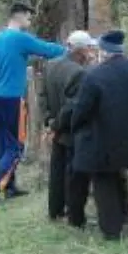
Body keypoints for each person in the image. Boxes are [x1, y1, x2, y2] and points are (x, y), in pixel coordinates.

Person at [59, 29, 128, 239]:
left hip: (108, 143)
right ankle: (124, 215)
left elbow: (81, 112)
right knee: (114, 171)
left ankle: (111, 229)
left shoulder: (94, 76)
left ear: (103, 51)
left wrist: (74, 128)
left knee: (100, 173)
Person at [0, 2, 67, 203]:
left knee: (4, 143)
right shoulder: (20, 38)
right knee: (17, 145)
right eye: (28, 16)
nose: (30, 19)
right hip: (13, 99)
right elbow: (47, 50)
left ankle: (9, 186)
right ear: (18, 16)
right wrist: (69, 49)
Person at [40, 30, 97, 221]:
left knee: (56, 172)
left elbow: (43, 97)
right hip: (71, 130)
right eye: (89, 48)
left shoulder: (50, 64)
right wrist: (56, 126)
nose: (91, 52)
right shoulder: (79, 73)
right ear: (81, 51)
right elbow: (71, 106)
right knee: (74, 176)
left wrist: (48, 122)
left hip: (56, 128)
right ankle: (75, 217)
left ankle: (55, 211)